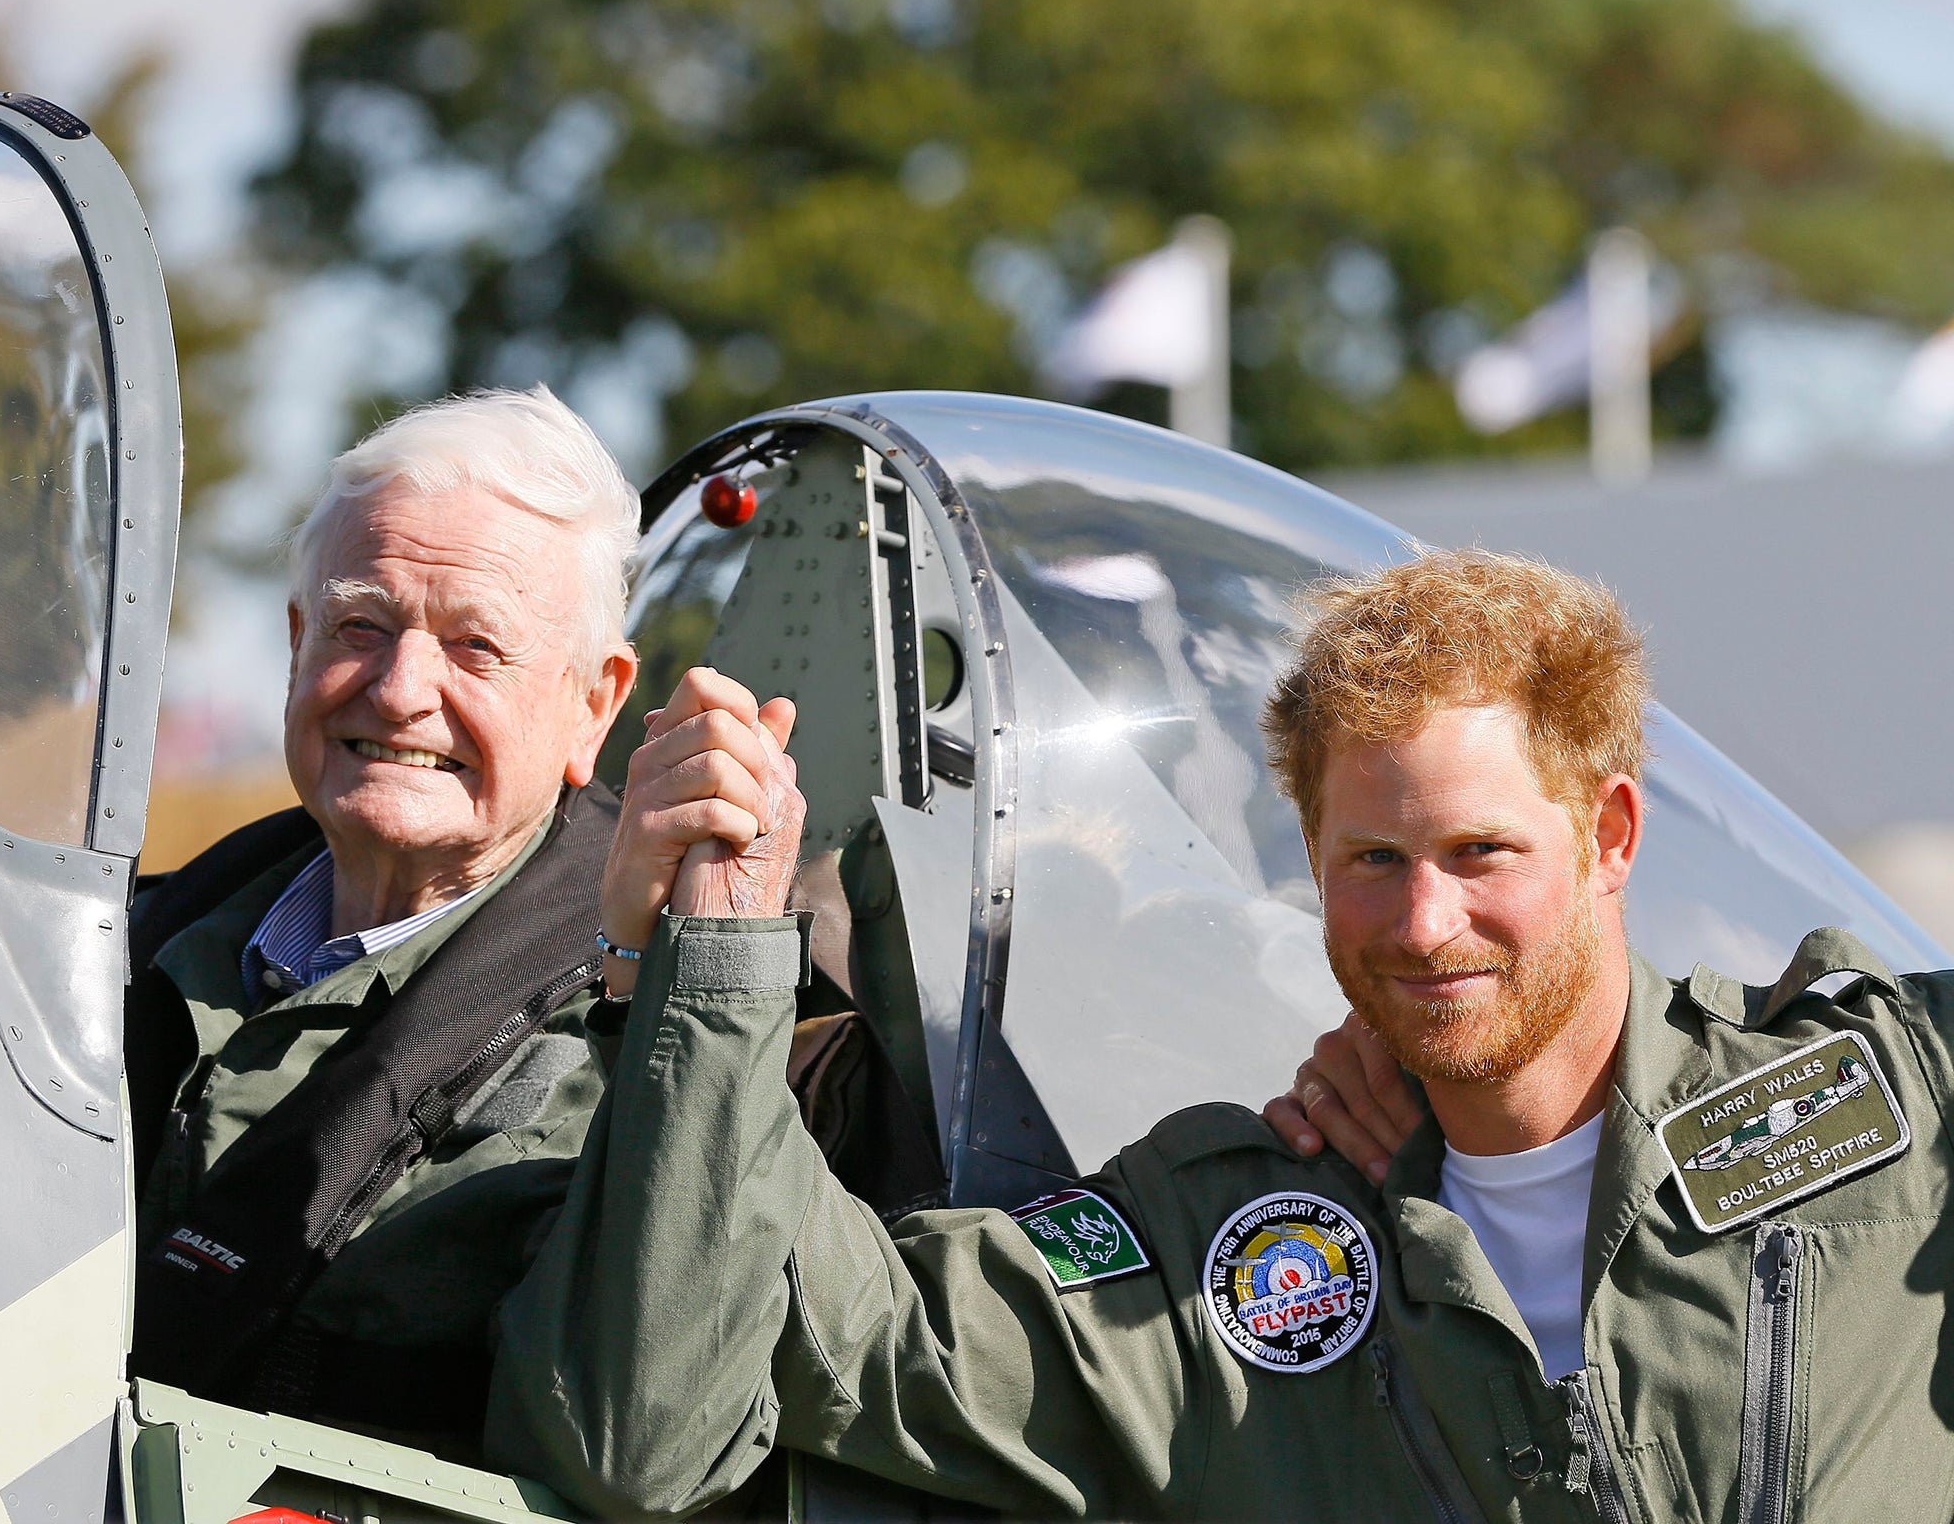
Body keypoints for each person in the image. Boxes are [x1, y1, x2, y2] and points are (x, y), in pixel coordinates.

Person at [503, 548, 1954, 1521]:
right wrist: (708, 962)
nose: (1426, 925)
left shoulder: (1893, 1106)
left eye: (1482, 853)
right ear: (1311, 859)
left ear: (1611, 835)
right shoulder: (1226, 1257)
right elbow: (713, 1384)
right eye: (1372, 862)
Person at [123, 386, 822, 1458]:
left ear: (595, 703)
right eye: (362, 626)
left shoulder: (657, 1039)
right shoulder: (128, 941)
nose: (401, 692)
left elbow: (642, 1447)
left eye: (474, 648)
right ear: (299, 641)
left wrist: (709, 965)